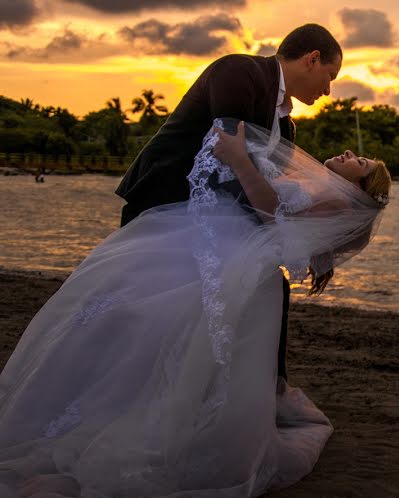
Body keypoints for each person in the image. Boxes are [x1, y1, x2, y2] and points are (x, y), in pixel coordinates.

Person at [0, 119, 391, 498]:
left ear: (360, 187)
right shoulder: (323, 188)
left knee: (189, 348)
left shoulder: (330, 198)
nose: (350, 152)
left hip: (242, 266)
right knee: (190, 353)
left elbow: (269, 210)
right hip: (242, 262)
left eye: (360, 162)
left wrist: (240, 158)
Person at [117, 23, 343, 395]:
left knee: (271, 286)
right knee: (144, 311)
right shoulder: (240, 72)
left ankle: (262, 389)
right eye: (329, 76)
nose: (328, 89)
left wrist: (311, 237)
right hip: (162, 205)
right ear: (312, 59)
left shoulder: (285, 127)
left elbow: (273, 189)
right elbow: (224, 160)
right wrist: (278, 231)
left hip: (212, 221)